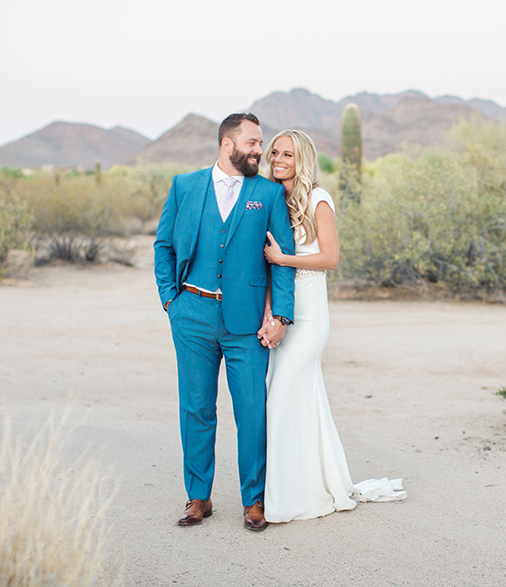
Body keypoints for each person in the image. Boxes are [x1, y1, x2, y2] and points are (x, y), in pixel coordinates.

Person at [154, 113, 296, 531]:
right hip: (192, 314)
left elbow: (282, 259)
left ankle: (254, 500)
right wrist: (169, 300)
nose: (260, 150)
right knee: (196, 408)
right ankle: (198, 496)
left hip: (247, 321)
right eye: (252, 143)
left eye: (261, 143)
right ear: (227, 144)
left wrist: (282, 314)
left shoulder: (268, 194)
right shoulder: (185, 185)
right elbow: (163, 243)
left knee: (251, 411)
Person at [259, 129, 406, 523]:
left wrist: (283, 260)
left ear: (302, 158)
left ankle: (293, 494)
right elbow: (265, 267)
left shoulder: (318, 199)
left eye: (287, 154)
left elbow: (330, 258)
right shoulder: (273, 198)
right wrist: (269, 314)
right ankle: (305, 481)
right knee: (299, 400)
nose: (278, 159)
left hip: (310, 319)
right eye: (275, 152)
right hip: (283, 315)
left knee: (280, 398)